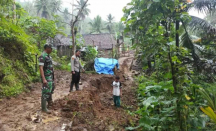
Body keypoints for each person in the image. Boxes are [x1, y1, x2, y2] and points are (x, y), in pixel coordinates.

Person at [38, 44, 55, 114]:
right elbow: (41, 68)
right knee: (45, 91)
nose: (52, 50)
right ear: (47, 48)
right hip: (46, 76)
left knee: (50, 89)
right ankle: (44, 108)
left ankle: (49, 103)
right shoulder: (42, 56)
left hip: (50, 76)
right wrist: (44, 79)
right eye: (51, 48)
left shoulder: (48, 56)